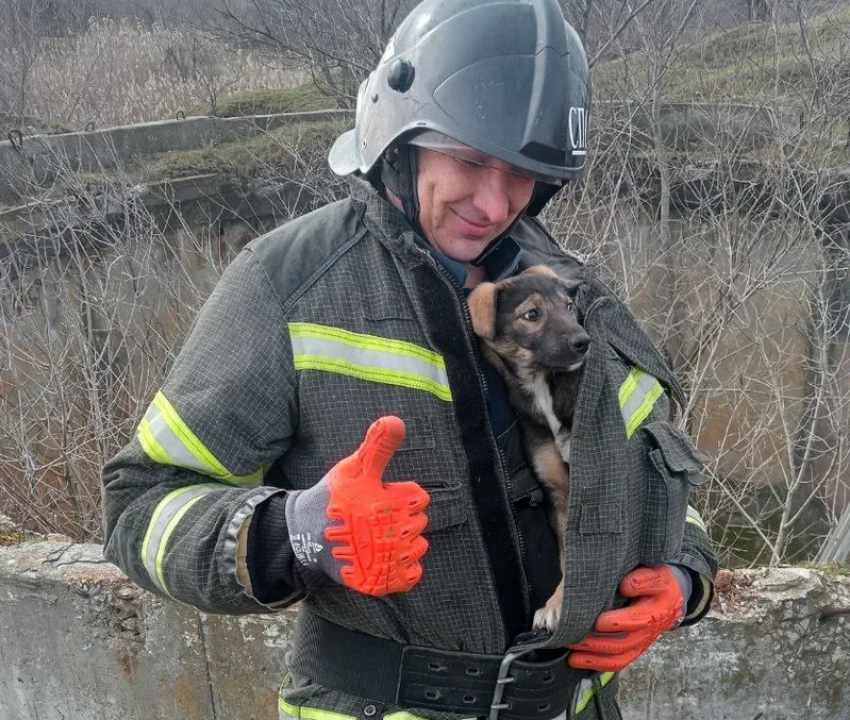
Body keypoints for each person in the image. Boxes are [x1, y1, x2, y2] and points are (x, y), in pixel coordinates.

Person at [101, 1, 718, 719]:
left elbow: (647, 470)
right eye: (470, 158)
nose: (494, 203)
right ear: (404, 139)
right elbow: (138, 505)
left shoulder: (567, 294)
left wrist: (680, 576)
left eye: (521, 172)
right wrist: (296, 531)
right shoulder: (292, 283)